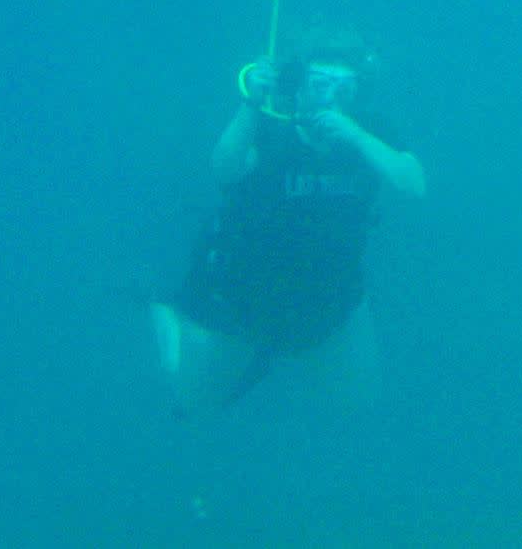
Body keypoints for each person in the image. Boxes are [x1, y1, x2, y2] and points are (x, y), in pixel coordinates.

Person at [153, 47, 425, 414]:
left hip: (330, 296)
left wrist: (356, 136)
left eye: (344, 89)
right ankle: (166, 317)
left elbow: (412, 183)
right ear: (298, 88)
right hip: (243, 294)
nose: (330, 97)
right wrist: (249, 104)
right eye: (319, 85)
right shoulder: (270, 129)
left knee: (361, 404)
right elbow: (225, 169)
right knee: (193, 401)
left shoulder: (371, 134)